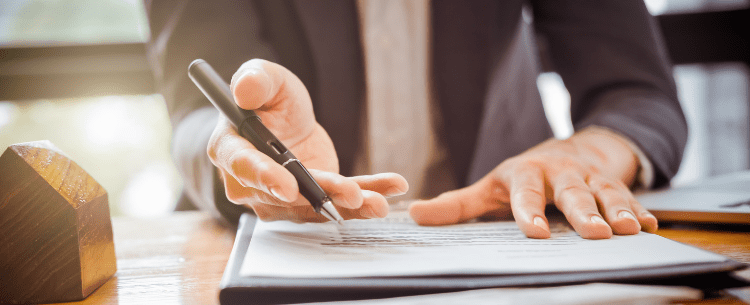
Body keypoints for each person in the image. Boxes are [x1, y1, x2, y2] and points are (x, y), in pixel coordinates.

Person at [145, 0, 687, 239]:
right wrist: (244, 157)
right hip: (291, 255)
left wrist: (584, 155)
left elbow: (639, 95)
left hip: (517, 237)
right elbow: (198, 117)